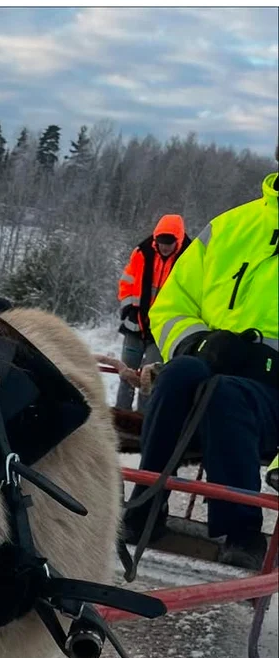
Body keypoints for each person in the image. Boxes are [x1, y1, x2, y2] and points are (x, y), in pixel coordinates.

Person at [123, 160, 279, 569]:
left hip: (272, 396)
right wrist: (199, 342)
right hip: (214, 365)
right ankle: (144, 508)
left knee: (226, 395)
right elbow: (172, 305)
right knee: (179, 374)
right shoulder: (230, 227)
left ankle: (240, 531)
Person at [115, 213, 190, 410]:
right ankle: (121, 414)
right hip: (135, 324)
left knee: (151, 379)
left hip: (163, 332)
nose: (164, 246)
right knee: (127, 374)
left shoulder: (190, 258)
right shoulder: (142, 252)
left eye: (169, 242)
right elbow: (126, 282)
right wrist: (129, 309)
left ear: (179, 240)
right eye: (160, 241)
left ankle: (143, 421)